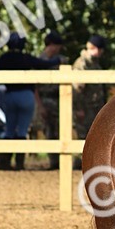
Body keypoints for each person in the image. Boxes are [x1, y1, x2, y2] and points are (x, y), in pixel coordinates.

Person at [0, 33, 59, 169]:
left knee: (9, 130)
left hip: (9, 95)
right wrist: (57, 60)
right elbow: (43, 64)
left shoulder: (3, 59)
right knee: (22, 130)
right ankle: (19, 164)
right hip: (25, 95)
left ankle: (4, 163)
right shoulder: (25, 58)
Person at [36, 30, 70, 170]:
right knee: (48, 131)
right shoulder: (39, 61)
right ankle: (53, 162)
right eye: (56, 46)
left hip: (60, 99)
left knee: (62, 131)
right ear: (49, 45)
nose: (58, 49)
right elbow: (35, 87)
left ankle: (62, 162)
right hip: (45, 99)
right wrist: (40, 106)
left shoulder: (62, 60)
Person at [73, 33, 109, 144]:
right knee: (83, 141)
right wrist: (78, 108)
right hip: (85, 110)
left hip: (94, 110)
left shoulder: (95, 64)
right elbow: (77, 88)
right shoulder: (82, 64)